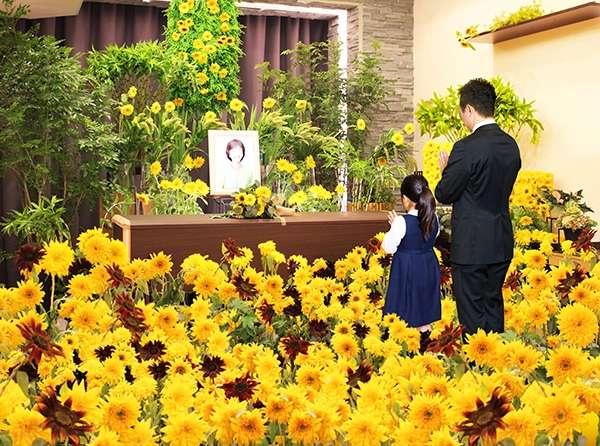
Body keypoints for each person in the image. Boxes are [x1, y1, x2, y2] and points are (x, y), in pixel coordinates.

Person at [435, 78, 521, 336]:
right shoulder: (511, 145)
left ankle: (477, 369)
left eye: (462, 113)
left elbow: (445, 193)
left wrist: (446, 172)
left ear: (469, 109)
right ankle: (495, 368)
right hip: (501, 240)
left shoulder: (466, 148)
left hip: (472, 246)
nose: (463, 118)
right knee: (493, 305)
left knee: (471, 315)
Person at [382, 174, 441, 338]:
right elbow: (432, 237)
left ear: (405, 199)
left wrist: (394, 227)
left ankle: (409, 346)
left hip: (407, 268)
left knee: (407, 306)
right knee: (424, 306)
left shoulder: (402, 222)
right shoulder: (434, 217)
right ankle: (426, 342)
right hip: (428, 265)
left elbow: (388, 247)